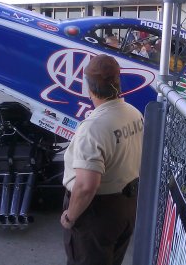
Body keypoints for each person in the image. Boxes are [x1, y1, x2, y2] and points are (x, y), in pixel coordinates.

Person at [60, 54, 143, 265]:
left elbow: (87, 186)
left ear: (89, 88)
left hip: (97, 214)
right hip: (126, 206)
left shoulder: (94, 126)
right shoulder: (133, 113)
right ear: (118, 81)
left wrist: (70, 217)